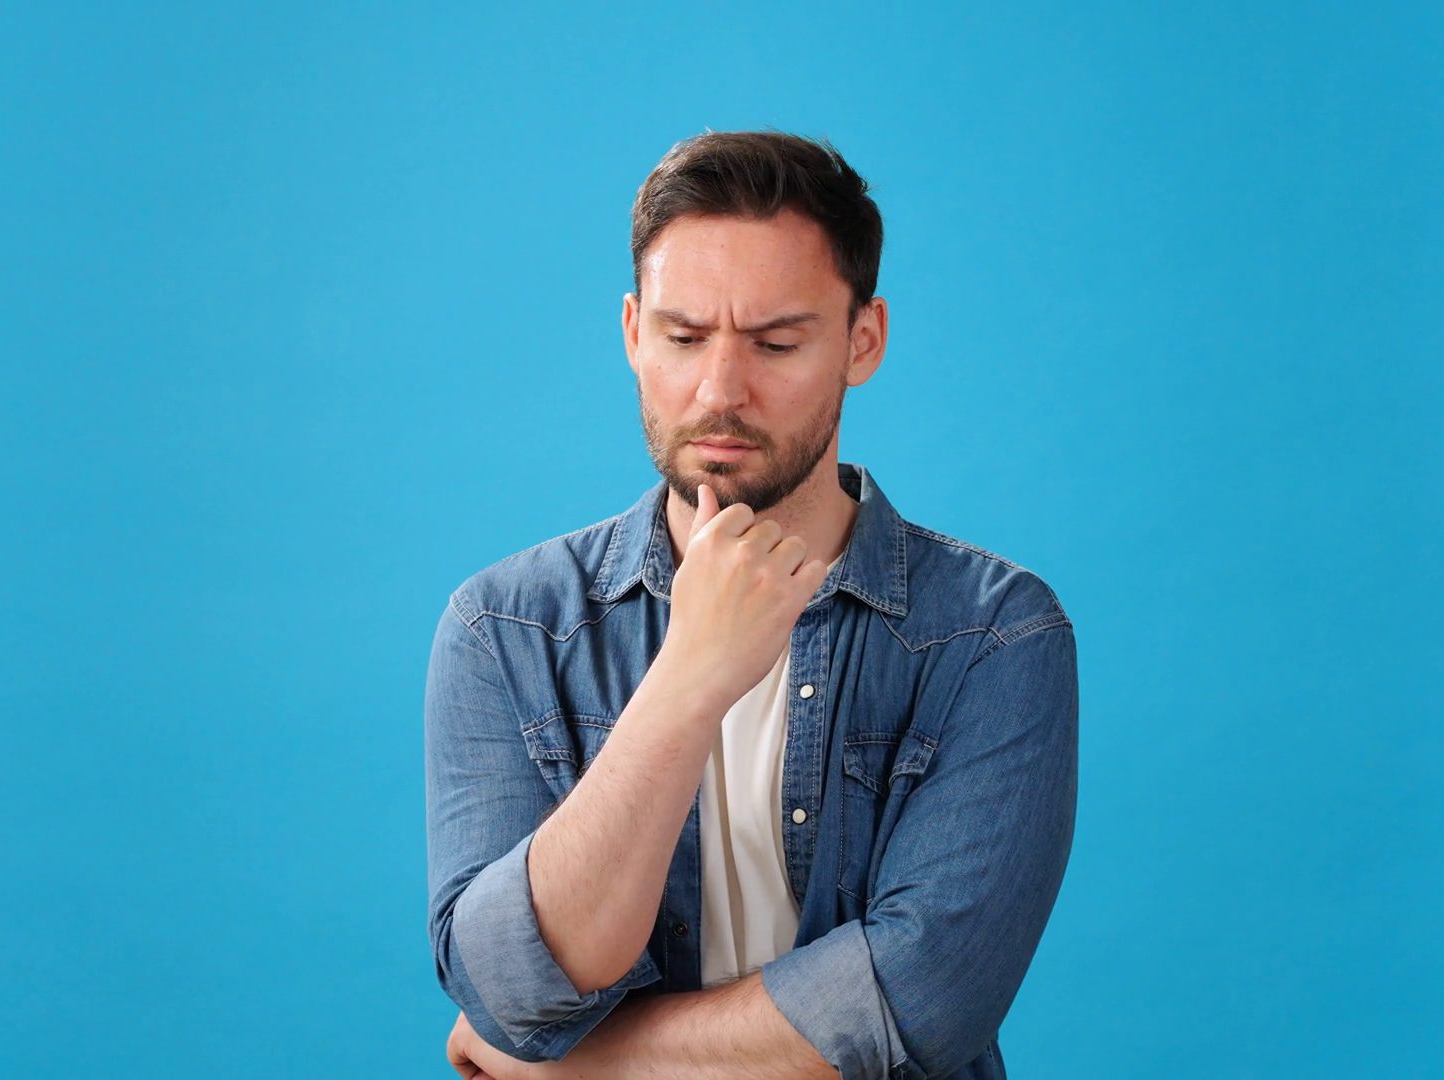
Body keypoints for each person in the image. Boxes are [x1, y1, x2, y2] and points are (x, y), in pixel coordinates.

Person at [425, 132, 1078, 1080]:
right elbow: (512, 988)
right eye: (684, 338)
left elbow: (918, 1006)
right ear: (632, 333)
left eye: (775, 343)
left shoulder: (993, 634)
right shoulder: (507, 630)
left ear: (862, 341)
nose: (720, 390)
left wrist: (569, 1069)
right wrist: (689, 677)